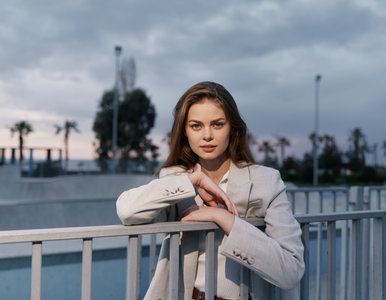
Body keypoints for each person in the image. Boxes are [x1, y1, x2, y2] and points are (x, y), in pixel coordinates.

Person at [117, 81, 304, 300]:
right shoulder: (175, 179)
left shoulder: (267, 181)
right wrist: (193, 180)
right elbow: (127, 211)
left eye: (217, 124)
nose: (207, 135)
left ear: (232, 128)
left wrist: (224, 218)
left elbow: (292, 270)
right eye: (196, 125)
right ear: (185, 131)